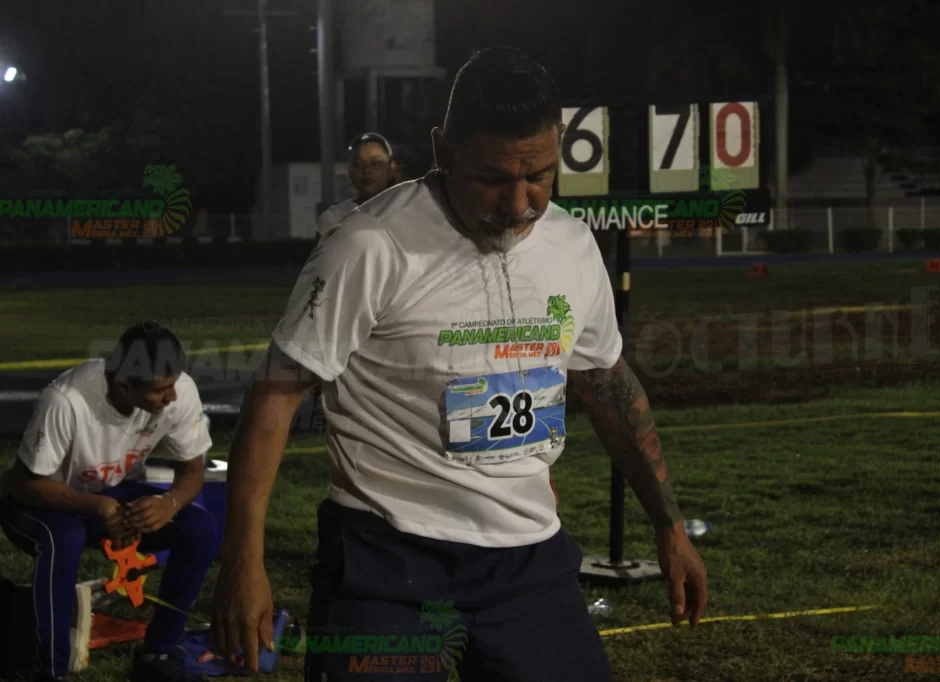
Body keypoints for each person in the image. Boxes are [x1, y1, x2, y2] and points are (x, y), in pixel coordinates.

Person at [212, 46, 708, 681]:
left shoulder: (573, 244)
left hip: (528, 560)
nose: (520, 202)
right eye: (493, 179)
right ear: (443, 150)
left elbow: (605, 383)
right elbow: (276, 395)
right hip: (385, 560)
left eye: (541, 175)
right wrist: (243, 564)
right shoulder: (369, 245)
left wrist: (669, 526)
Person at [0, 322, 218, 682]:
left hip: (106, 496)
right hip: (39, 502)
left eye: (174, 383)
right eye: (160, 390)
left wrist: (170, 502)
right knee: (64, 539)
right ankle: (51, 670)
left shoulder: (179, 390)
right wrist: (99, 507)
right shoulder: (66, 399)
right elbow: (23, 485)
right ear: (123, 387)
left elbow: (192, 471)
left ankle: (159, 652)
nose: (172, 396)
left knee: (200, 528)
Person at [314, 132, 399, 243]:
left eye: (375, 163)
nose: (367, 170)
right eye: (358, 164)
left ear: (391, 169)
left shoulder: (405, 213)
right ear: (350, 171)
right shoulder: (333, 219)